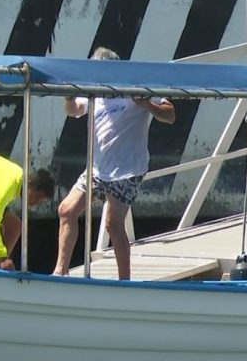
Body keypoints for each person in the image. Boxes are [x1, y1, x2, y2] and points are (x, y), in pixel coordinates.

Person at [52, 47, 176, 280]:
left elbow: (170, 115)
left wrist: (147, 105)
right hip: (97, 169)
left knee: (113, 225)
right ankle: (61, 272)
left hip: (127, 170)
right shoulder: (93, 89)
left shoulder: (135, 85)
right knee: (66, 210)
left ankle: (124, 281)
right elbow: (74, 111)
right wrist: (68, 97)